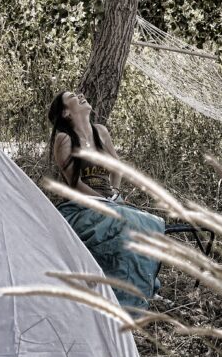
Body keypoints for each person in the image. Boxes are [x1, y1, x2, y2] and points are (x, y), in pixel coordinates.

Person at [47, 91, 163, 309]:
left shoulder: (101, 132)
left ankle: (142, 288)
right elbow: (74, 183)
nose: (81, 94)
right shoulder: (64, 139)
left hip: (110, 201)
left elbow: (116, 168)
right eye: (72, 95)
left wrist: (115, 193)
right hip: (80, 207)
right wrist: (104, 202)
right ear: (66, 112)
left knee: (146, 223)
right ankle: (120, 298)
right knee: (124, 222)